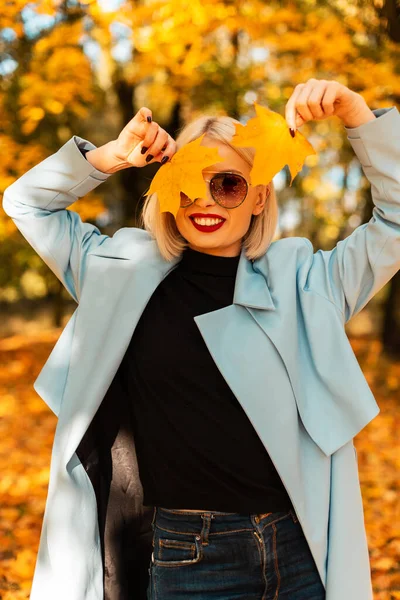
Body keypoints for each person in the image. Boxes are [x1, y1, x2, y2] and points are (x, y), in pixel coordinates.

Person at [2, 78, 399, 600]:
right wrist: (111, 157)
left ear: (258, 197)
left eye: (227, 184)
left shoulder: (306, 282)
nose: (204, 201)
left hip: (301, 550)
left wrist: (357, 115)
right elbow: (26, 203)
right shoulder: (116, 273)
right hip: (191, 557)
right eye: (187, 186)